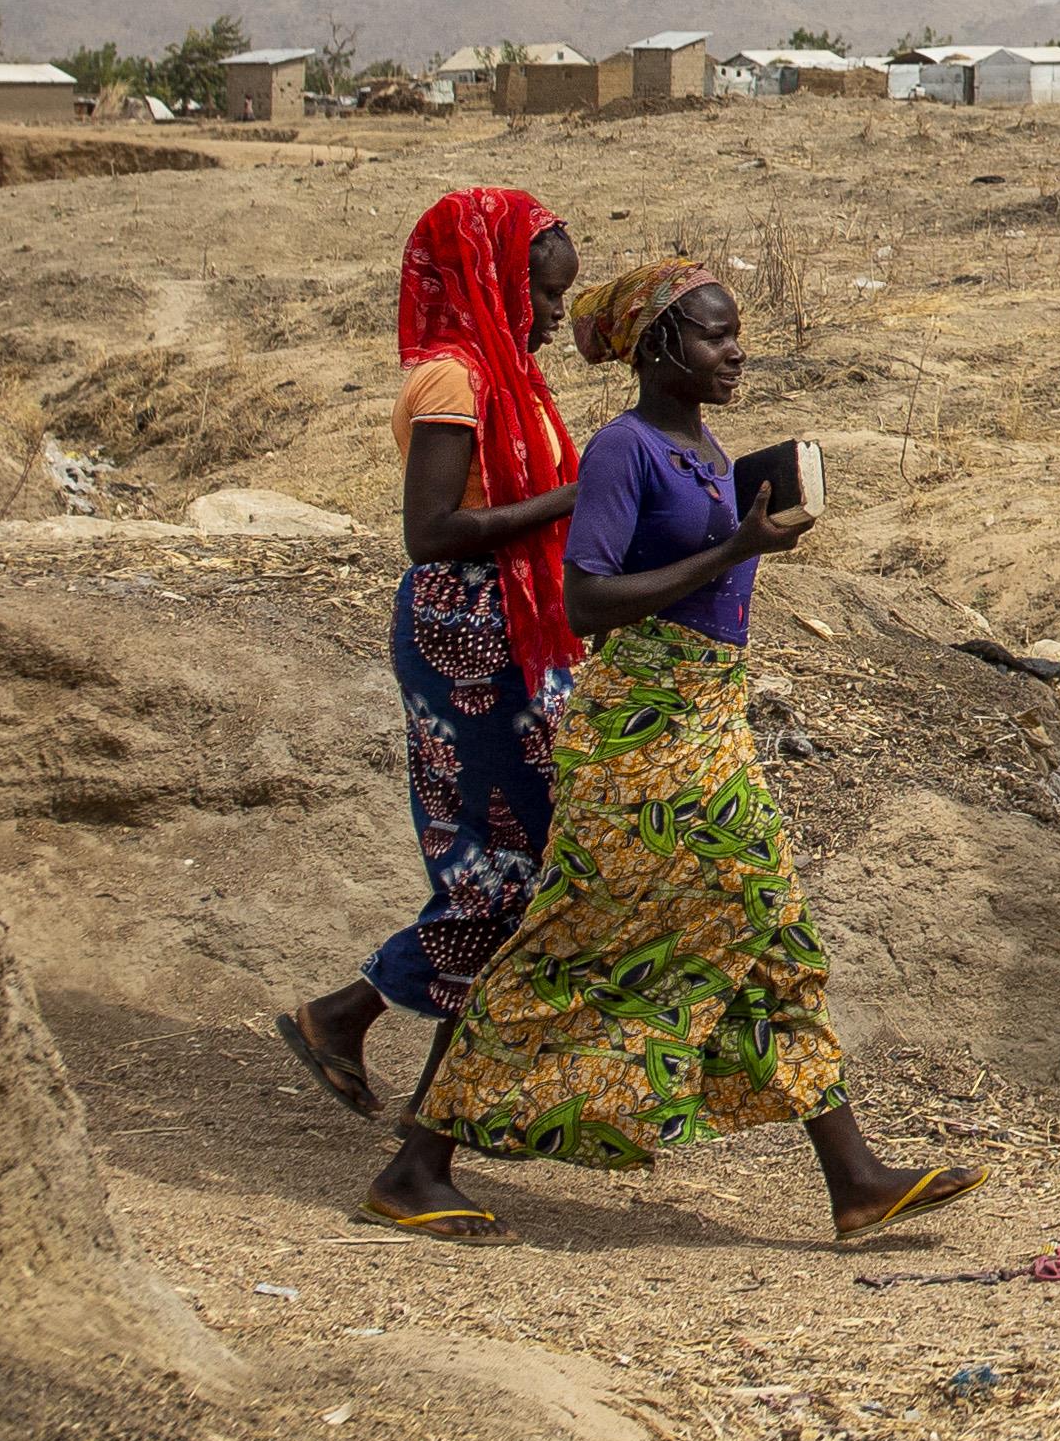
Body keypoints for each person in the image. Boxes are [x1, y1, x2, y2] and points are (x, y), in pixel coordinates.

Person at [360, 257, 976, 1247]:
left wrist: (753, 521)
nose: (737, 349)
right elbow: (586, 598)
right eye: (714, 334)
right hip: (642, 736)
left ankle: (856, 1179)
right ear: (657, 347)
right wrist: (735, 550)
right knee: (577, 941)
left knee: (773, 938)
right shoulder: (624, 449)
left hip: (707, 720)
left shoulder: (702, 447)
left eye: (736, 332)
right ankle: (414, 1163)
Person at [277, 187, 590, 1122]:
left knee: (522, 860)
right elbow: (432, 530)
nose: (552, 314)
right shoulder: (456, 379)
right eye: (541, 294)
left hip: (513, 624)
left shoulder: (507, 375)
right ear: (492, 281)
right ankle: (404, 1084)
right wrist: (575, 498)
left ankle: (361, 1032)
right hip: (469, 629)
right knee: (505, 867)